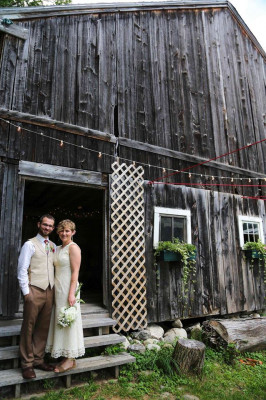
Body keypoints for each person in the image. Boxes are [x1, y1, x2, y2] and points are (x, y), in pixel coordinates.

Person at [17, 214, 56, 379]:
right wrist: (27, 293)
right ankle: (26, 364)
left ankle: (38, 359)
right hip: (34, 290)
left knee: (43, 327)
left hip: (50, 290)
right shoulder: (29, 244)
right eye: (45, 224)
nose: (47, 228)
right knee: (29, 327)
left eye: (50, 226)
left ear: (53, 228)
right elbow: (22, 269)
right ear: (39, 224)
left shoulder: (53, 245)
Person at [45, 219, 85, 372]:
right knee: (60, 320)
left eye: (67, 230)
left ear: (73, 232)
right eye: (61, 230)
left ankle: (70, 359)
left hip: (69, 289)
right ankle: (64, 355)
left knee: (69, 321)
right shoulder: (58, 248)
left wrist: (71, 294)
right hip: (58, 289)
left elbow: (75, 272)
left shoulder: (73, 248)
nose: (64, 233)